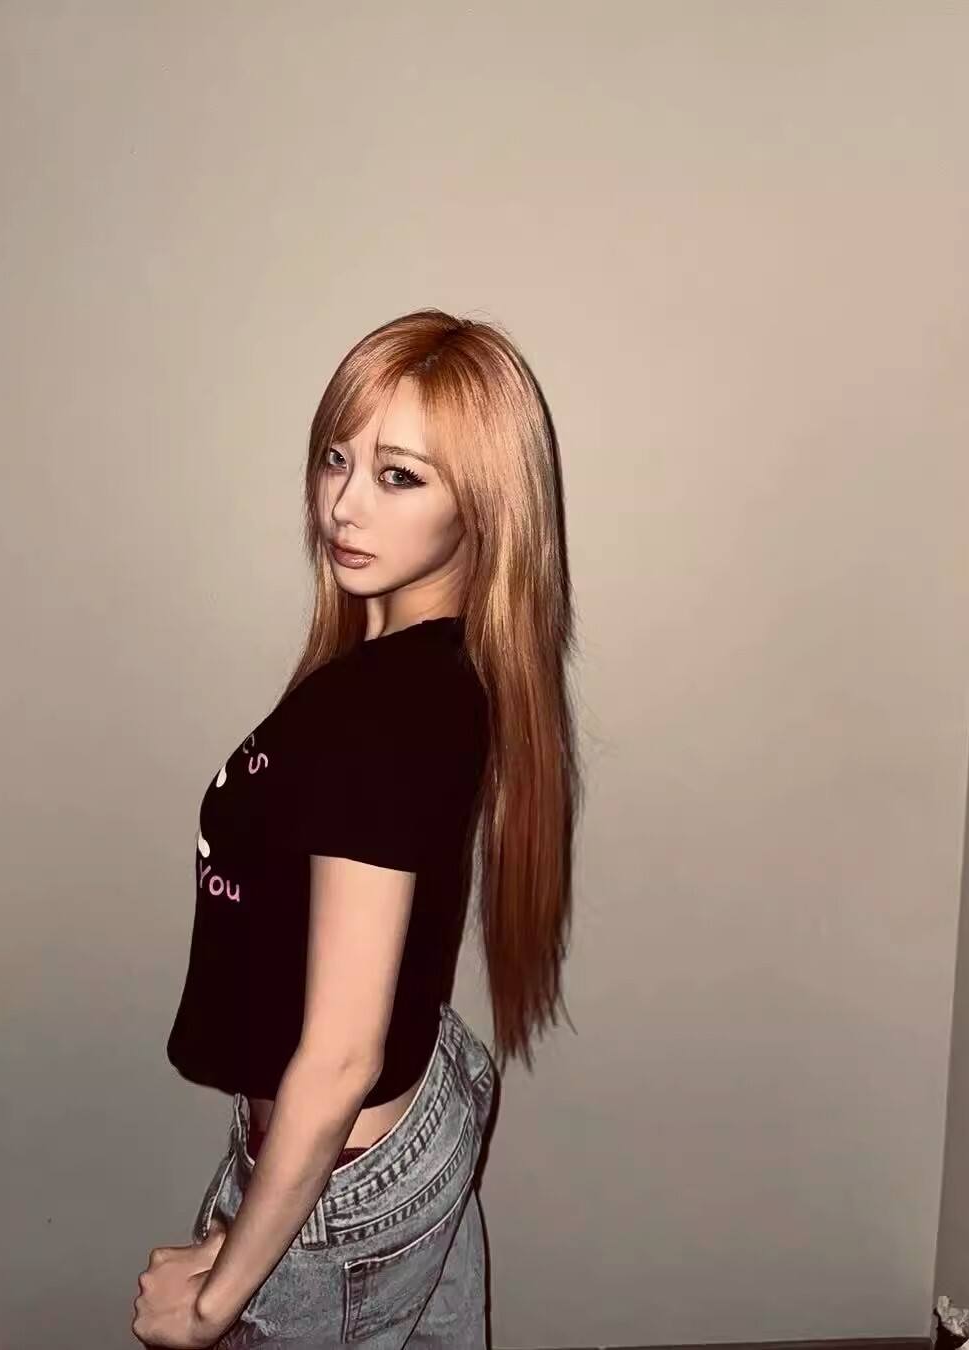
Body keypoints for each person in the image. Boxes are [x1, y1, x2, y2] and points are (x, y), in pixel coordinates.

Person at [132, 307, 582, 1349]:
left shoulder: (380, 713)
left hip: (340, 1174)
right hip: (416, 1109)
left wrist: (215, 1301)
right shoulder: (435, 670)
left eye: (399, 475)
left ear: (484, 504)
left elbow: (338, 1058)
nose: (342, 502)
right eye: (336, 458)